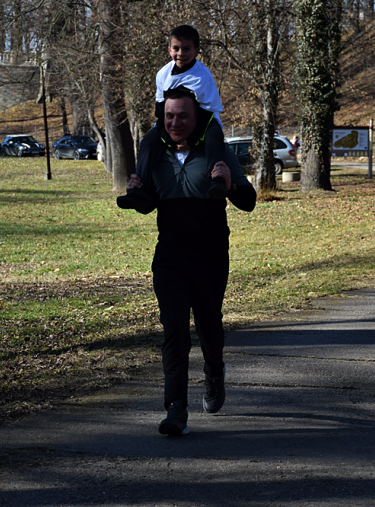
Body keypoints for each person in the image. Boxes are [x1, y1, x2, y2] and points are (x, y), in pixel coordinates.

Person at [124, 89, 256, 436]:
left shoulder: (217, 153)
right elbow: (148, 204)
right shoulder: (156, 153)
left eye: (182, 116)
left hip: (211, 257)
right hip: (170, 257)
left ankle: (214, 373)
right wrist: (137, 187)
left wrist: (228, 186)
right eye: (169, 116)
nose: (175, 122)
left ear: (196, 117)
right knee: (175, 331)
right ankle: (176, 409)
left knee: (209, 328)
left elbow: (249, 201)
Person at [117, 25, 226, 212]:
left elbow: (207, 112)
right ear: (169, 50)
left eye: (186, 49)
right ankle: (139, 189)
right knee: (148, 142)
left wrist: (191, 140)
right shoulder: (163, 74)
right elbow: (160, 108)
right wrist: (167, 136)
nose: (180, 53)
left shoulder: (203, 77)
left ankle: (217, 180)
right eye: (176, 48)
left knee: (215, 139)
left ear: (197, 51)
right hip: (171, 122)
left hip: (204, 122)